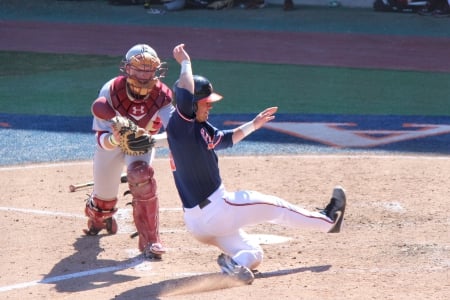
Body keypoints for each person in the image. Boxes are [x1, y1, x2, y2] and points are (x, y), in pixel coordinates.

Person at [167, 44, 347, 284]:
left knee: (253, 254)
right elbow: (185, 91)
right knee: (276, 207)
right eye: (206, 102)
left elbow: (226, 139)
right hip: (217, 210)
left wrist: (253, 124)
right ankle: (328, 222)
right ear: (190, 104)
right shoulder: (180, 125)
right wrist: (185, 63)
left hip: (199, 222)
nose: (210, 105)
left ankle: (234, 265)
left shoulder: (197, 128)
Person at [84, 43, 175, 260]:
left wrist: (149, 139)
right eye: (139, 68)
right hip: (112, 144)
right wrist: (119, 137)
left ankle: (151, 239)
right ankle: (98, 215)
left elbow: (176, 134)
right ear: (127, 69)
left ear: (157, 70)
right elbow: (101, 139)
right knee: (104, 201)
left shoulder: (163, 95)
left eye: (149, 69)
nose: (144, 74)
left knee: (142, 176)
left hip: (143, 145)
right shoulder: (110, 91)